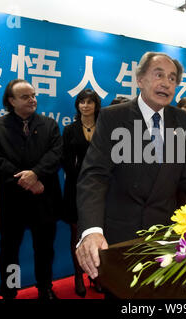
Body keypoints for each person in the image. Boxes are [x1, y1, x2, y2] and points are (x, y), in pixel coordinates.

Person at [75, 52, 186, 280]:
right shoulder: (113, 117)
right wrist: (92, 230)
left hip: (166, 237)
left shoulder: (180, 120)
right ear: (140, 79)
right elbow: (94, 176)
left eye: (173, 78)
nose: (166, 83)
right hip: (122, 237)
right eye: (159, 75)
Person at [0, 79, 62, 300]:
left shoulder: (49, 125)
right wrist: (26, 180)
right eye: (26, 97)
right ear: (11, 101)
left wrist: (36, 173)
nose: (33, 100)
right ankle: (10, 290)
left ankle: (45, 287)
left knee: (45, 249)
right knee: (9, 250)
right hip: (12, 202)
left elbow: (56, 154)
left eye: (34, 95)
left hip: (43, 198)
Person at [62, 88, 101, 297]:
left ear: (96, 105)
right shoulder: (70, 130)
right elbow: (66, 162)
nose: (85, 105)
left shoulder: (105, 127)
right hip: (76, 189)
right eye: (82, 102)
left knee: (100, 235)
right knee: (76, 235)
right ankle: (78, 276)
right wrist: (84, 177)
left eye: (89, 102)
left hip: (103, 189)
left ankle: (96, 276)